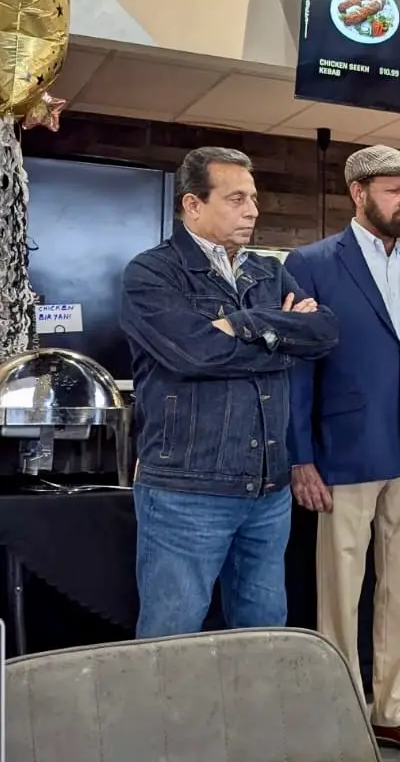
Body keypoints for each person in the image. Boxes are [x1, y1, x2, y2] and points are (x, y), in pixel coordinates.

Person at [285, 145, 400, 759]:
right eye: (393, 190)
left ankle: (394, 710)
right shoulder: (310, 263)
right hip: (344, 450)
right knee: (340, 592)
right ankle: (338, 711)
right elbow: (298, 370)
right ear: (358, 193)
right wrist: (300, 457)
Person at [120, 147, 339, 639]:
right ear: (193, 204)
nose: (253, 211)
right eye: (237, 199)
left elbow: (324, 333)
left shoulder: (268, 271)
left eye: (253, 199)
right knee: (171, 636)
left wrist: (243, 324)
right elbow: (196, 354)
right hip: (186, 489)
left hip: (267, 489)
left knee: (263, 633)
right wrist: (281, 335)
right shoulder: (152, 273)